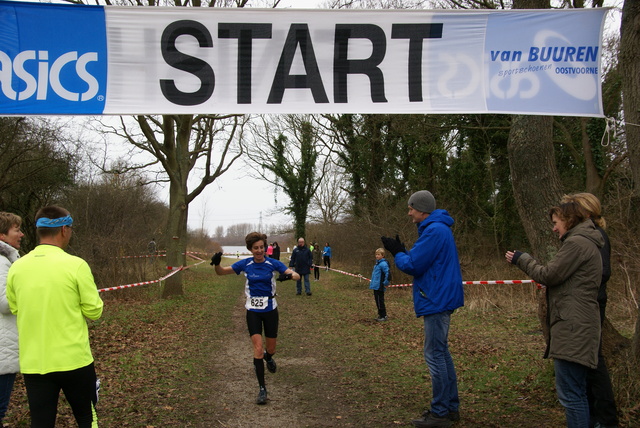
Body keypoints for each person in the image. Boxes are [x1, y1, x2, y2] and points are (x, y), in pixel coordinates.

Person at [505, 201, 603, 428]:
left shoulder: (577, 244)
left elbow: (548, 275)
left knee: (571, 395)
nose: (553, 228)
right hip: (577, 326)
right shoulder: (585, 243)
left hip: (573, 329)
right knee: (577, 392)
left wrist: (522, 259)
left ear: (569, 220)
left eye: (556, 223)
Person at [6, 206, 104, 428]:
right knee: (87, 419)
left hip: (35, 362)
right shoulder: (76, 265)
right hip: (75, 361)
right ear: (64, 230)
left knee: (41, 422)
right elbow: (94, 311)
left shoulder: (17, 268)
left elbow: (15, 307)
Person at [382, 190, 464, 428]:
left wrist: (397, 252)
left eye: (411, 208)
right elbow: (423, 261)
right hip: (440, 296)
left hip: (436, 298)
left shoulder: (434, 231)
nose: (409, 213)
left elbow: (414, 265)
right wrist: (405, 250)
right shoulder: (438, 229)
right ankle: (450, 408)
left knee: (435, 355)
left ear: (422, 209)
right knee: (442, 352)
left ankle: (440, 413)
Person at [210, 232, 299, 405]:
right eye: (255, 248)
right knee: (257, 348)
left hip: (270, 310)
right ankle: (262, 389)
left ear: (265, 247)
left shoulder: (272, 263)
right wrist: (216, 264)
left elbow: (296, 275)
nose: (259, 251)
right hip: (253, 311)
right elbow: (221, 272)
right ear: (250, 249)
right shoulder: (246, 264)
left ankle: (269, 356)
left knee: (270, 349)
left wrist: (288, 275)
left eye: (261, 247)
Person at [561, 193, 619, 428]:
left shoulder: (595, 237)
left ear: (583, 212)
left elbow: (602, 272)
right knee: (588, 363)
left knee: (594, 362)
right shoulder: (587, 235)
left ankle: (605, 418)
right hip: (586, 303)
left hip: (590, 304)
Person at [0, 212, 24, 426]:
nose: (22, 234)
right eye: (16, 230)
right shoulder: (1, 262)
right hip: (2, 350)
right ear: (2, 236)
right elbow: (5, 302)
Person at [369, 248, 390, 322]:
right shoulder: (377, 264)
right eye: (376, 254)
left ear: (383, 255)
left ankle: (383, 315)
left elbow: (388, 274)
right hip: (375, 285)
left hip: (380, 286)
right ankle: (380, 315)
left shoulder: (383, 264)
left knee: (380, 300)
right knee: (377, 301)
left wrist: (386, 283)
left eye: (378, 254)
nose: (377, 256)